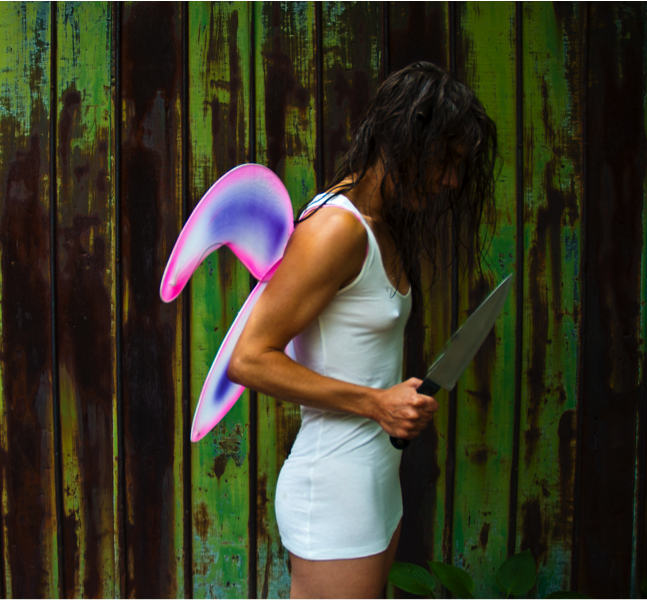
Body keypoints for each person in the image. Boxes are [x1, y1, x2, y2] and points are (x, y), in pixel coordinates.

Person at [228, 62, 498, 599]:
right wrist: (377, 403)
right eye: (444, 161)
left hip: (373, 480)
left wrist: (389, 403)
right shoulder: (336, 229)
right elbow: (248, 359)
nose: (451, 181)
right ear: (403, 141)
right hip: (334, 491)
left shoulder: (381, 226)